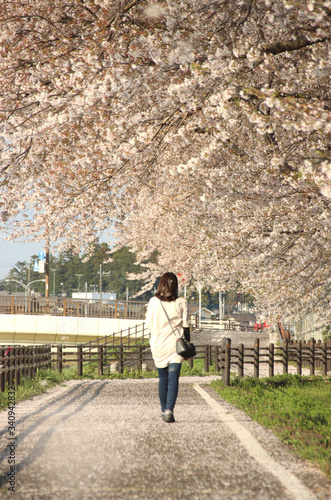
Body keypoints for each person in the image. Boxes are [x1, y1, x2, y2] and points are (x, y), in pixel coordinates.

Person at [146, 272, 190, 423]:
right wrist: (188, 346)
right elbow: (186, 326)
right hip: (175, 345)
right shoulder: (182, 302)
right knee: (173, 380)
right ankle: (169, 410)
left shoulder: (153, 302)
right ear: (175, 285)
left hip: (158, 345)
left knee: (163, 379)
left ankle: (164, 410)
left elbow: (149, 324)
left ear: (161, 285)